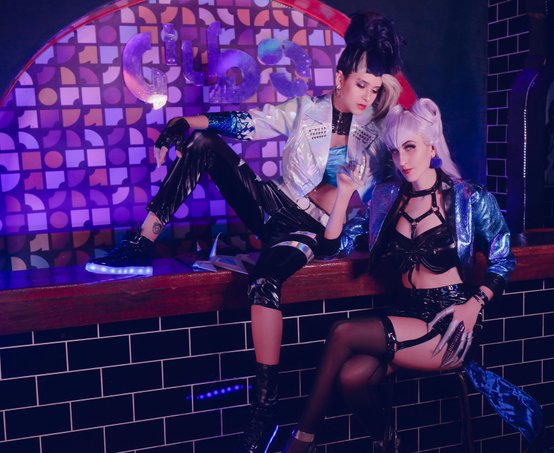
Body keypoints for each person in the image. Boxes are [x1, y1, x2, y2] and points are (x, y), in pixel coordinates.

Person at [86, 12, 404, 453]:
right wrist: (189, 122)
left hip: (311, 229)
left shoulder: (376, 133)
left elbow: (367, 186)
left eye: (374, 88)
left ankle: (265, 406)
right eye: (360, 85)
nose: (368, 96)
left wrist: (332, 192)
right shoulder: (306, 110)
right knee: (204, 144)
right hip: (272, 205)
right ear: (339, 78)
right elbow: (251, 122)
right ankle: (141, 243)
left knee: (264, 283)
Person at [282, 98, 544, 453]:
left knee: (342, 332)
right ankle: (387, 441)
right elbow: (334, 247)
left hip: (450, 322)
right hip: (407, 314)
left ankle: (302, 440)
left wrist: (475, 303)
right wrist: (343, 195)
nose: (401, 159)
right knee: (351, 377)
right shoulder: (387, 198)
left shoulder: (468, 198)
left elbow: (503, 258)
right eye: (395, 151)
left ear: (431, 147)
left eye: (410, 147)